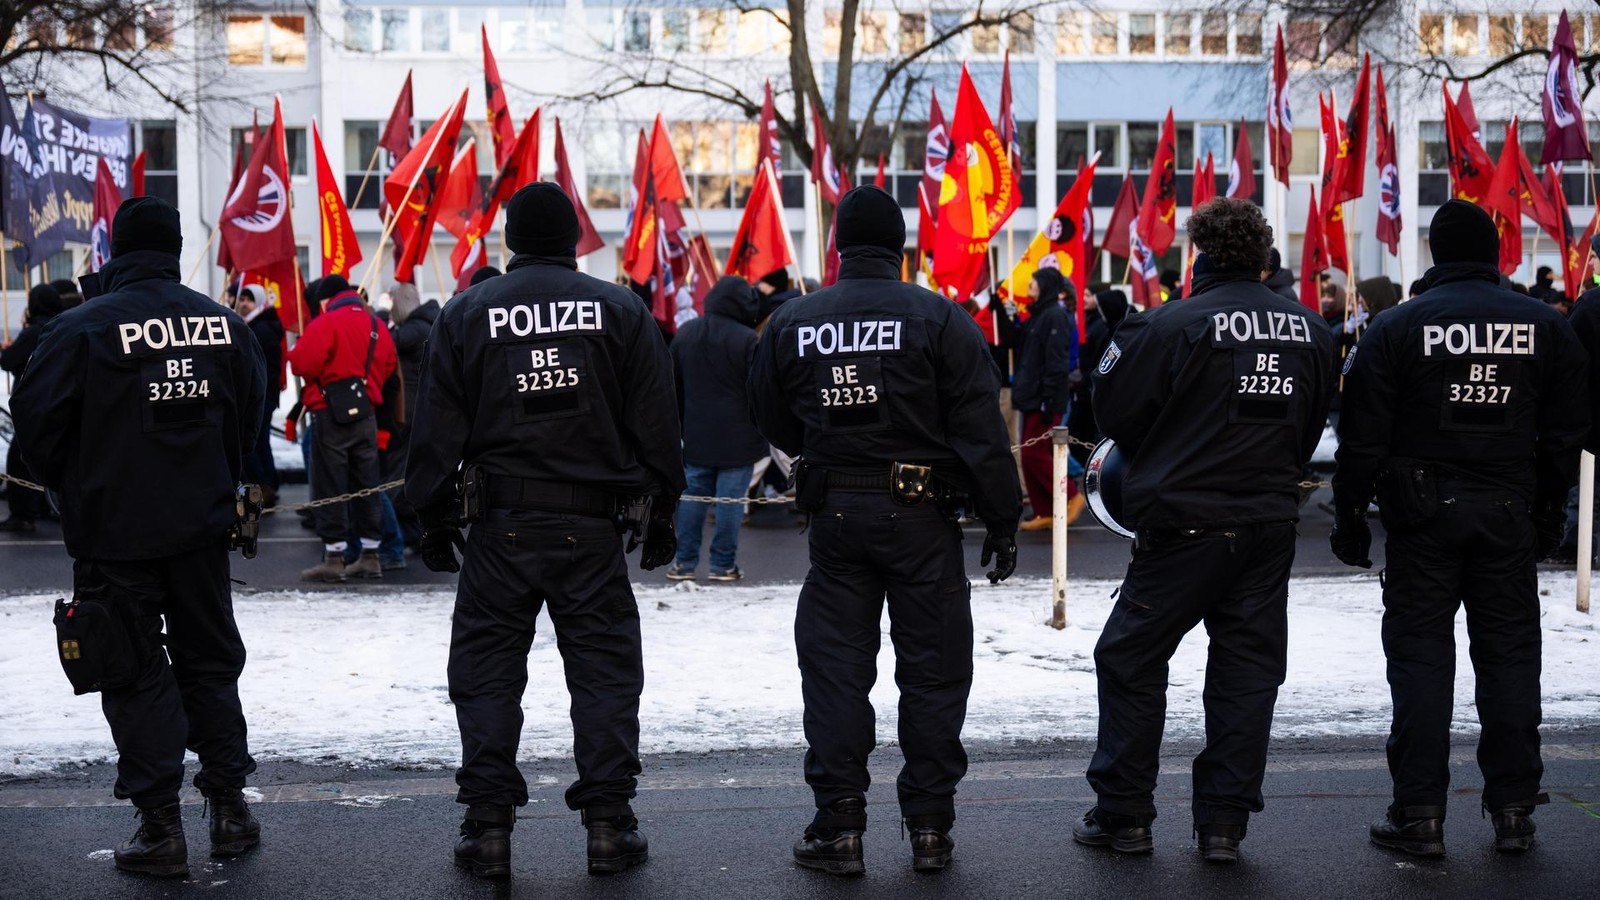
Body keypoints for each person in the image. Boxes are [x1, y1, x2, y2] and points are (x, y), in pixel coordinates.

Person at [406, 182, 683, 880]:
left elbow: (436, 432)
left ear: (510, 240)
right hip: (591, 530)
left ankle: (489, 829)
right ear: (574, 240)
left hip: (500, 530)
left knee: (487, 677)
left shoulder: (469, 310)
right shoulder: (620, 308)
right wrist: (665, 511)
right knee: (605, 676)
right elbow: (658, 423)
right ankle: (609, 827)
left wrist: (431, 517)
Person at [748, 185, 1022, 876]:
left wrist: (826, 441)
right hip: (923, 519)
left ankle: (838, 825)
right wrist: (1003, 518)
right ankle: (930, 827)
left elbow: (771, 414)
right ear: (901, 246)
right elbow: (980, 429)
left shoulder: (792, 321)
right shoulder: (939, 318)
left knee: (837, 670)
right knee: (933, 671)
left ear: (838, 244)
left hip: (836, 517)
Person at [11, 197, 268, 878]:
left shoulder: (77, 330)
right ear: (175, 249)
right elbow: (249, 422)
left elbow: (35, 431)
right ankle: (231, 809)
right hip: (200, 534)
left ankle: (162, 828)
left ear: (114, 253)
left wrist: (76, 487)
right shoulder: (224, 327)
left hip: (113, 535)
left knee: (131, 672)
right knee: (210, 664)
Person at [1080, 198, 1336, 863]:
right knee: (1247, 671)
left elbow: (1114, 413)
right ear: (1263, 255)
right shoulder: (1312, 330)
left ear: (1201, 254)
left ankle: (1124, 814)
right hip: (1268, 521)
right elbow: (1309, 428)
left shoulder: (1166, 324)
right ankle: (1223, 824)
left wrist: (1169, 454)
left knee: (1130, 658)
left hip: (1184, 523)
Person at [1331, 200, 1589, 857]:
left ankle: (1419, 813)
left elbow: (1362, 435)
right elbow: (1565, 434)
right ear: (1496, 253)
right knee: (1509, 661)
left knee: (1420, 663)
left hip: (1420, 520)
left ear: (1436, 254)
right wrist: (1545, 512)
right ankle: (1513, 811)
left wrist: (1350, 516)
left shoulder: (1395, 327)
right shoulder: (1544, 327)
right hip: (1507, 516)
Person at [288, 274, 398, 582]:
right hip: (367, 416)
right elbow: (389, 366)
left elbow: (302, 365)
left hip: (329, 415)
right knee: (367, 486)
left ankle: (334, 558)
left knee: (330, 486)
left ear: (327, 299)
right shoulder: (377, 326)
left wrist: (297, 351)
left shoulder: (324, 323)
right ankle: (371, 556)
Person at [667, 275, 766, 582]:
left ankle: (683, 563)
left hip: (696, 435)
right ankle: (722, 565)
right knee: (730, 503)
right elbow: (760, 390)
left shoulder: (686, 333)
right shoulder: (748, 339)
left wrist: (680, 428)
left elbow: (673, 387)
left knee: (693, 500)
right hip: (739, 437)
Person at [1011, 267, 1081, 530]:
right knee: (1030, 455)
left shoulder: (1055, 316)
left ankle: (1071, 495)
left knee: (1034, 454)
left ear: (1047, 285)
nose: (1030, 284)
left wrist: (1048, 399)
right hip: (1031, 395)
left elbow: (1056, 361)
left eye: (1035, 280)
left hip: (1043, 398)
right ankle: (1045, 511)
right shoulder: (1038, 315)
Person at [0, 283, 62, 532]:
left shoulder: (33, 331)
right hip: (58, 401)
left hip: (34, 407)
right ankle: (45, 506)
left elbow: (9, 361)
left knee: (19, 458)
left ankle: (22, 515)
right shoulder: (62, 325)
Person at [387, 281, 438, 548]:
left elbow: (387, 344)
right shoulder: (423, 325)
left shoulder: (414, 330)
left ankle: (411, 534)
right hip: (416, 409)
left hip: (410, 411)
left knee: (398, 475)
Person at [233, 284, 283, 507]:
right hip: (262, 393)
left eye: (249, 299)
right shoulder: (254, 325)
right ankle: (268, 484)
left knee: (253, 442)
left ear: (259, 302)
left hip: (261, 394)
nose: (243, 303)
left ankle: (264, 486)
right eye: (241, 299)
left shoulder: (259, 329)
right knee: (261, 441)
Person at [1068, 288, 1130, 463]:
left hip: (1098, 392)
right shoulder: (1095, 325)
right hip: (1087, 390)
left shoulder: (1110, 332)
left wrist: (1086, 378)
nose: (1084, 299)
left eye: (1088, 295)